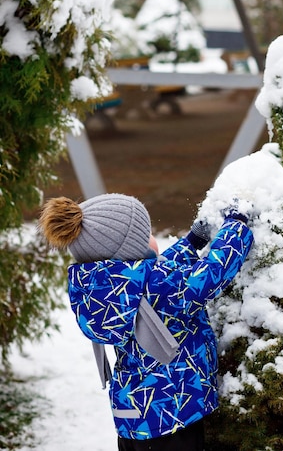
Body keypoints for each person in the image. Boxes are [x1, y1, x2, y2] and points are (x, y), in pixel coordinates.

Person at [38, 192, 254, 451]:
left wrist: (192, 241)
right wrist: (237, 224)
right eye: (145, 233)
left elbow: (155, 272)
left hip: (132, 421)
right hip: (172, 418)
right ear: (129, 251)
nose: (153, 236)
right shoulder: (158, 288)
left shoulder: (104, 288)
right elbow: (211, 273)